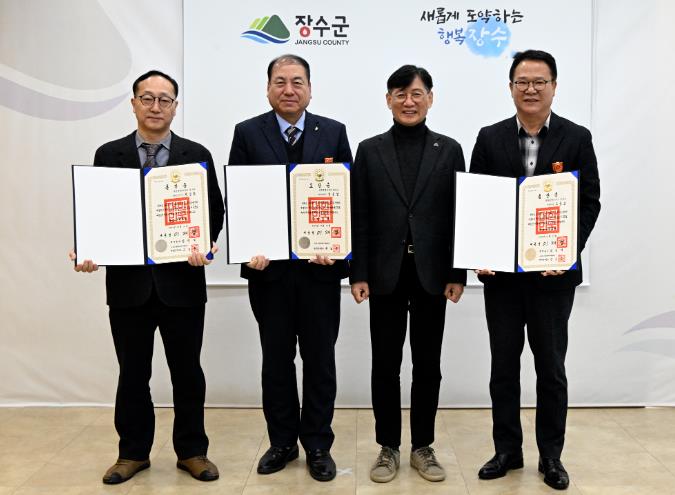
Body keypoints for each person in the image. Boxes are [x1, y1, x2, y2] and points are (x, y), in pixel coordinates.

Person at [70, 70, 224, 484]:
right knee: (133, 374)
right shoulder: (109, 154)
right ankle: (132, 453)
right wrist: (90, 250)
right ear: (134, 103)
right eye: (148, 98)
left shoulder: (196, 154)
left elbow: (214, 210)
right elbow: (99, 213)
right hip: (128, 288)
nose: (156, 107)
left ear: (175, 106)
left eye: (165, 100)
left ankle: (192, 451)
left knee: (187, 373)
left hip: (182, 285)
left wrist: (204, 243)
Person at [470, 50, 601, 490]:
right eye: (522, 82)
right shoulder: (489, 138)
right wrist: (480, 251)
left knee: (551, 368)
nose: (530, 89)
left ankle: (551, 456)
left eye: (539, 82)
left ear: (554, 87)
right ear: (510, 88)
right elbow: (479, 203)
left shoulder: (576, 137)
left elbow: (589, 202)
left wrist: (566, 251)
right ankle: (507, 450)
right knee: (503, 368)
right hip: (503, 279)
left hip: (553, 279)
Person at [227, 54, 352, 482]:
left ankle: (317, 444)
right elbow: (239, 198)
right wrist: (247, 247)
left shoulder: (333, 132)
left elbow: (345, 199)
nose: (289, 89)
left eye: (297, 81)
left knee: (320, 361)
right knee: (276, 361)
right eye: (280, 81)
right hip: (269, 273)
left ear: (310, 89)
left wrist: (338, 249)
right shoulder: (248, 132)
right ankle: (281, 442)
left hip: (319, 272)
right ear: (268, 89)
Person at [350, 65, 466, 483]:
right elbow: (359, 213)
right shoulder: (369, 150)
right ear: (388, 100)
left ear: (430, 98)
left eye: (416, 93)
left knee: (428, 364)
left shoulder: (449, 149)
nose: (409, 101)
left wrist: (457, 273)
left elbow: (459, 215)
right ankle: (388, 447)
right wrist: (358, 272)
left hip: (433, 275)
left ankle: (422, 446)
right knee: (385, 364)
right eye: (400, 94)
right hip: (385, 274)